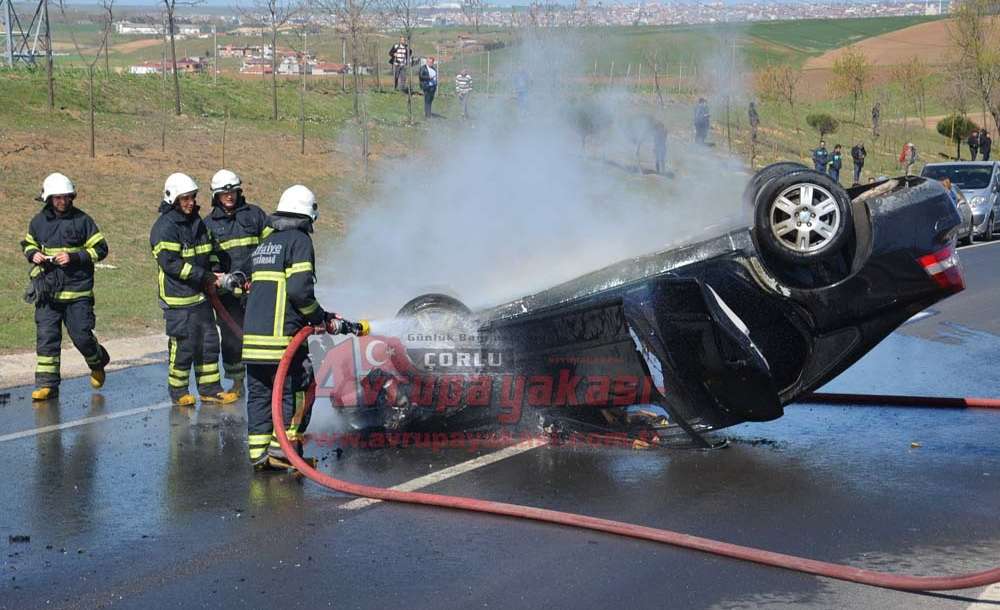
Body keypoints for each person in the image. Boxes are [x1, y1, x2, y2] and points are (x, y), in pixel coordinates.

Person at [242, 185, 367, 471]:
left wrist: (320, 317)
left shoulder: (266, 244)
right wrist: (317, 317)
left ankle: (260, 454)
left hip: (254, 341)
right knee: (295, 392)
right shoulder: (298, 242)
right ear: (307, 215)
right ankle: (284, 453)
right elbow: (299, 291)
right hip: (282, 341)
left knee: (261, 395)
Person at [150, 173, 238, 407]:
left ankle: (210, 389)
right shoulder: (164, 228)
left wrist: (216, 270)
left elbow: (208, 251)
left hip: (201, 298)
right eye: (185, 199)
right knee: (183, 347)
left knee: (208, 343)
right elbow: (171, 264)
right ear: (173, 199)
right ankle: (178, 391)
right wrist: (205, 276)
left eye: (192, 198)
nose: (190, 203)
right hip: (178, 299)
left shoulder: (197, 223)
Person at [21, 173, 110, 401]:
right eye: (57, 198)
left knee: (81, 336)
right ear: (48, 199)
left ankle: (98, 361)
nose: (61, 202)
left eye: (65, 197)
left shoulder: (83, 220)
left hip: (77, 294)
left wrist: (75, 257)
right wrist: (34, 254)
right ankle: (47, 385)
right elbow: (28, 243)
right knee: (47, 338)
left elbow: (100, 249)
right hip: (47, 292)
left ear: (72, 197)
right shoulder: (38, 222)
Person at [202, 169, 268, 397]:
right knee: (231, 338)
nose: (229, 196)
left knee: (261, 334)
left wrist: (254, 276)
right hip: (227, 293)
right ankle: (237, 382)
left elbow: (271, 246)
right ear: (216, 196)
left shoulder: (255, 215)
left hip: (256, 288)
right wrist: (219, 278)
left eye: (232, 192)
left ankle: (266, 381)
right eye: (224, 193)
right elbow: (207, 257)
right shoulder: (208, 224)